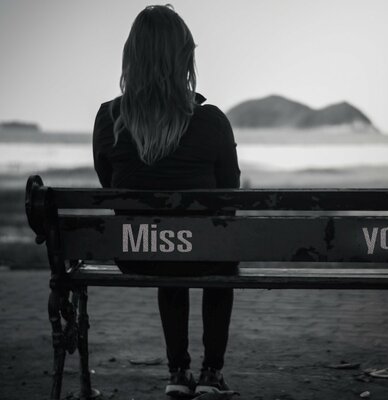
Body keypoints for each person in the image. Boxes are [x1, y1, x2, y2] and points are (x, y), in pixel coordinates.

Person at [92, 5, 240, 398]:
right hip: (202, 252)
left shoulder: (108, 120)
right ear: (184, 58)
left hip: (137, 252)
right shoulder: (211, 122)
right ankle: (211, 373)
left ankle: (178, 372)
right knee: (213, 244)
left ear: (132, 57)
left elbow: (108, 186)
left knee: (162, 237)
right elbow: (230, 199)